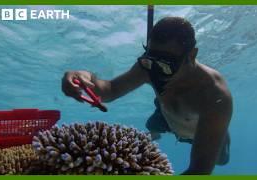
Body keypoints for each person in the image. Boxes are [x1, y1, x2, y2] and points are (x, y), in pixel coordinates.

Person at [62, 17, 233, 175]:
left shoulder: (214, 96)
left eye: (166, 64)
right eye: (151, 60)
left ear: (192, 55)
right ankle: (156, 129)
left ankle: (220, 134)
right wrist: (81, 75)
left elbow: (199, 171)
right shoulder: (147, 67)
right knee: (154, 123)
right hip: (167, 116)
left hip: (201, 132)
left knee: (221, 161)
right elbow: (110, 89)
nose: (156, 72)